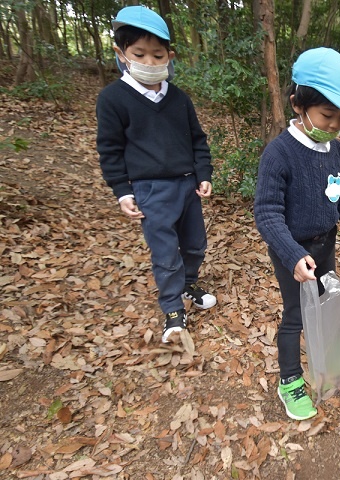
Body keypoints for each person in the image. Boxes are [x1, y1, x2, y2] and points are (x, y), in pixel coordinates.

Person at [254, 47, 340, 421]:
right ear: (298, 105)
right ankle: (289, 379)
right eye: (327, 115)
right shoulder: (279, 154)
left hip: (326, 244)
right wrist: (292, 256)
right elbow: (267, 213)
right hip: (292, 251)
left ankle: (326, 356)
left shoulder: (336, 152)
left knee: (325, 303)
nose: (335, 125)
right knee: (296, 315)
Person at [96, 6, 216, 344]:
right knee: (165, 253)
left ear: (169, 56)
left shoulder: (179, 99)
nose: (149, 62)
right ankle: (172, 308)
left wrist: (203, 173)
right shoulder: (113, 99)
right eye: (139, 54)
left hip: (188, 186)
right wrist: (123, 191)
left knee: (194, 244)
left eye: (157, 54)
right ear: (121, 54)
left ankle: (189, 282)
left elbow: (197, 140)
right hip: (151, 190)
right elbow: (110, 150)